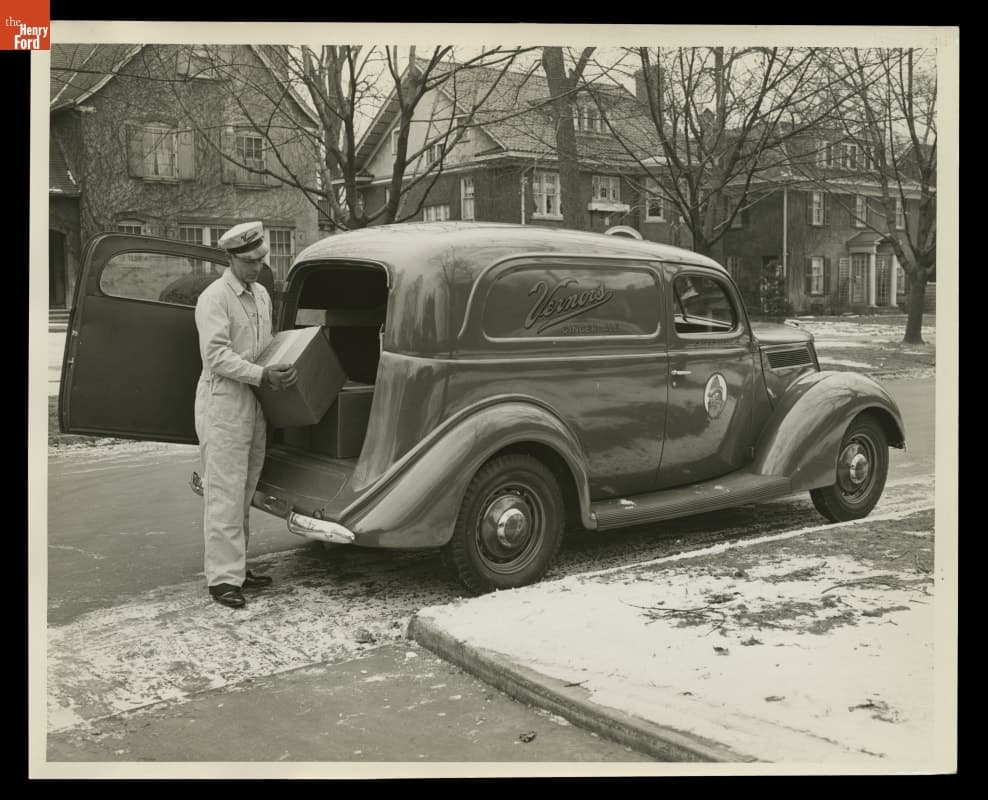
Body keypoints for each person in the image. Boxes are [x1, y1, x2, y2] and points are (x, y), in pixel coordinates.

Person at [194, 221, 297, 609]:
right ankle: (222, 580)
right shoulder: (214, 298)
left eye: (261, 259)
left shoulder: (262, 296)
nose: (257, 267)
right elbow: (216, 357)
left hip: (255, 400)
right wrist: (263, 375)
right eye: (249, 261)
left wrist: (278, 370)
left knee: (244, 490)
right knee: (223, 492)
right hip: (224, 402)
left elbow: (265, 347)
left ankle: (237, 568)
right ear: (230, 258)